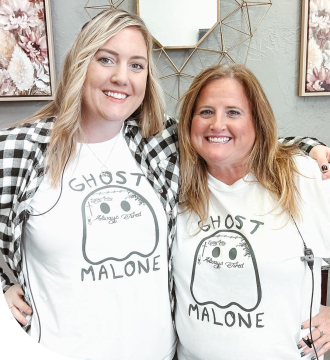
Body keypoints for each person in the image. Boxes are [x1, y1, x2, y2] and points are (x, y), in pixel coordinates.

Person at [0, 8, 329, 360]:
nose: (121, 77)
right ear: (80, 63)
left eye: (137, 65)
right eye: (106, 59)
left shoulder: (156, 144)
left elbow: (235, 143)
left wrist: (313, 149)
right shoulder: (20, 150)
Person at [173, 64, 330, 360]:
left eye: (233, 112)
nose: (217, 124)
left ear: (257, 122)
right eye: (206, 112)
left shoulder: (300, 175)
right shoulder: (175, 182)